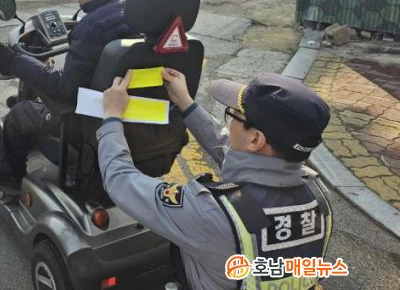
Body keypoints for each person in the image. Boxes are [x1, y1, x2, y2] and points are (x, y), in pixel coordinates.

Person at [99, 69, 333, 290]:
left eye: (233, 114)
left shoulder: (210, 213)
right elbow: (238, 155)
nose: (229, 124)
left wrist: (111, 117)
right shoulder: (318, 193)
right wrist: (185, 103)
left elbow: (120, 181)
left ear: (255, 139)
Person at [0, 0, 135, 182]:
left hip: (87, 118)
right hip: (129, 113)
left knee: (20, 113)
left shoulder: (93, 27)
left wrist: (14, 62)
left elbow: (66, 89)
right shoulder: (132, 11)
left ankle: (10, 172)